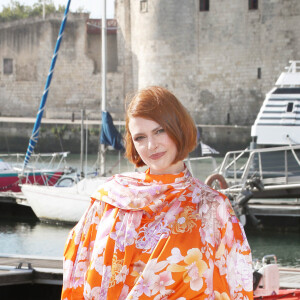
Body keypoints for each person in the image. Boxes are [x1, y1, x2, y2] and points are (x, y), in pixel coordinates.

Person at [61, 86, 253, 300]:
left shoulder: (212, 207)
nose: (151, 145)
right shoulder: (111, 197)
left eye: (159, 130)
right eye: (140, 137)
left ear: (179, 128)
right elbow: (78, 266)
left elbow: (235, 285)